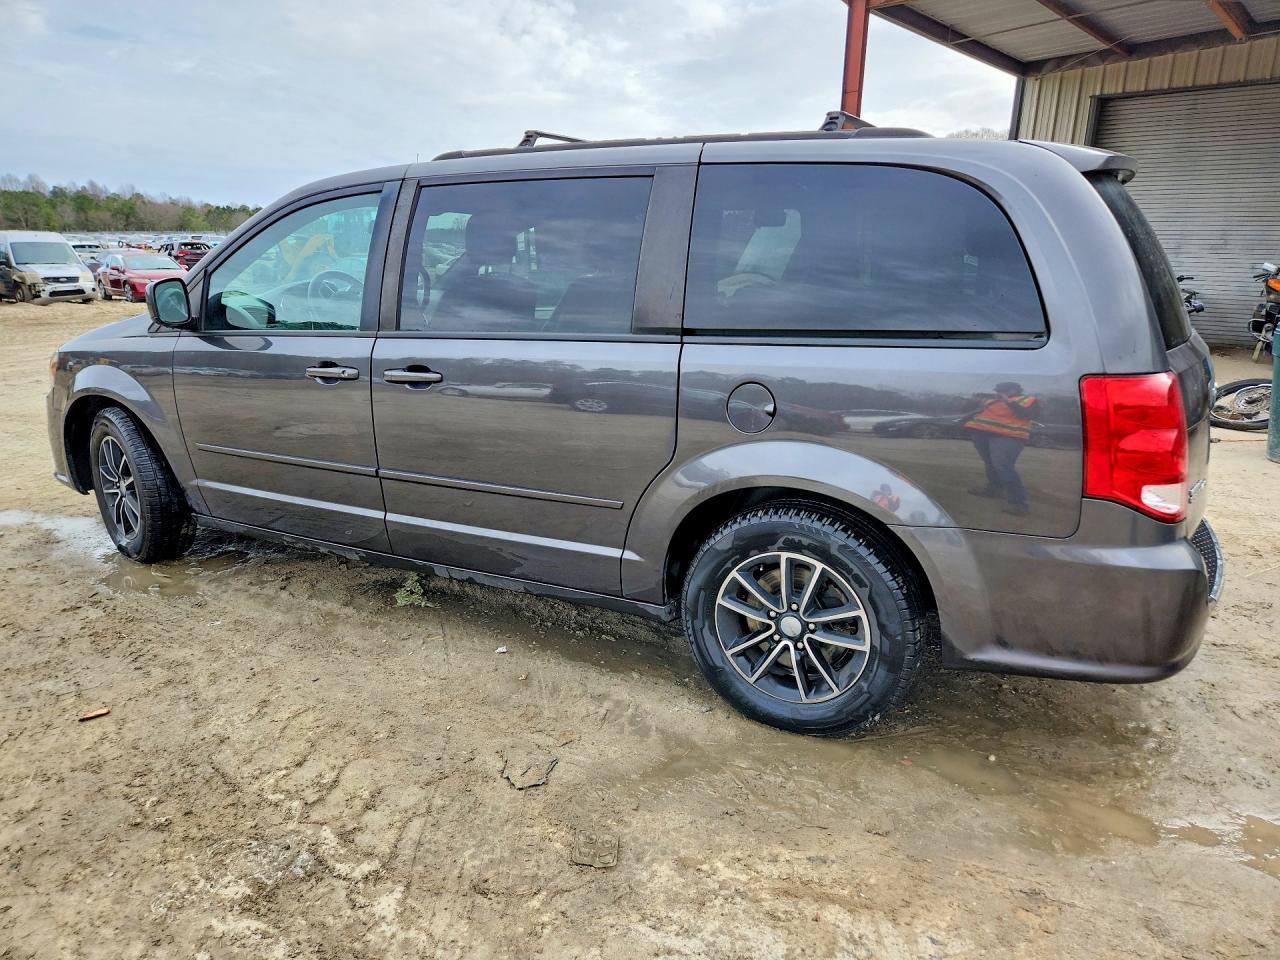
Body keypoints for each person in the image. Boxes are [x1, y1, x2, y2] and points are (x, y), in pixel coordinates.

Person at [965, 382, 1040, 516]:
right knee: (990, 463)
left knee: (1003, 467)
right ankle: (993, 489)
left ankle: (1019, 504)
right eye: (998, 390)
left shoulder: (1028, 400)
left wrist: (1009, 402)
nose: (999, 393)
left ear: (1015, 390)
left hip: (1009, 437)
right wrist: (972, 401)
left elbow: (1029, 415)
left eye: (1003, 390)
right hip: (982, 435)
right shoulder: (990, 400)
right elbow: (965, 409)